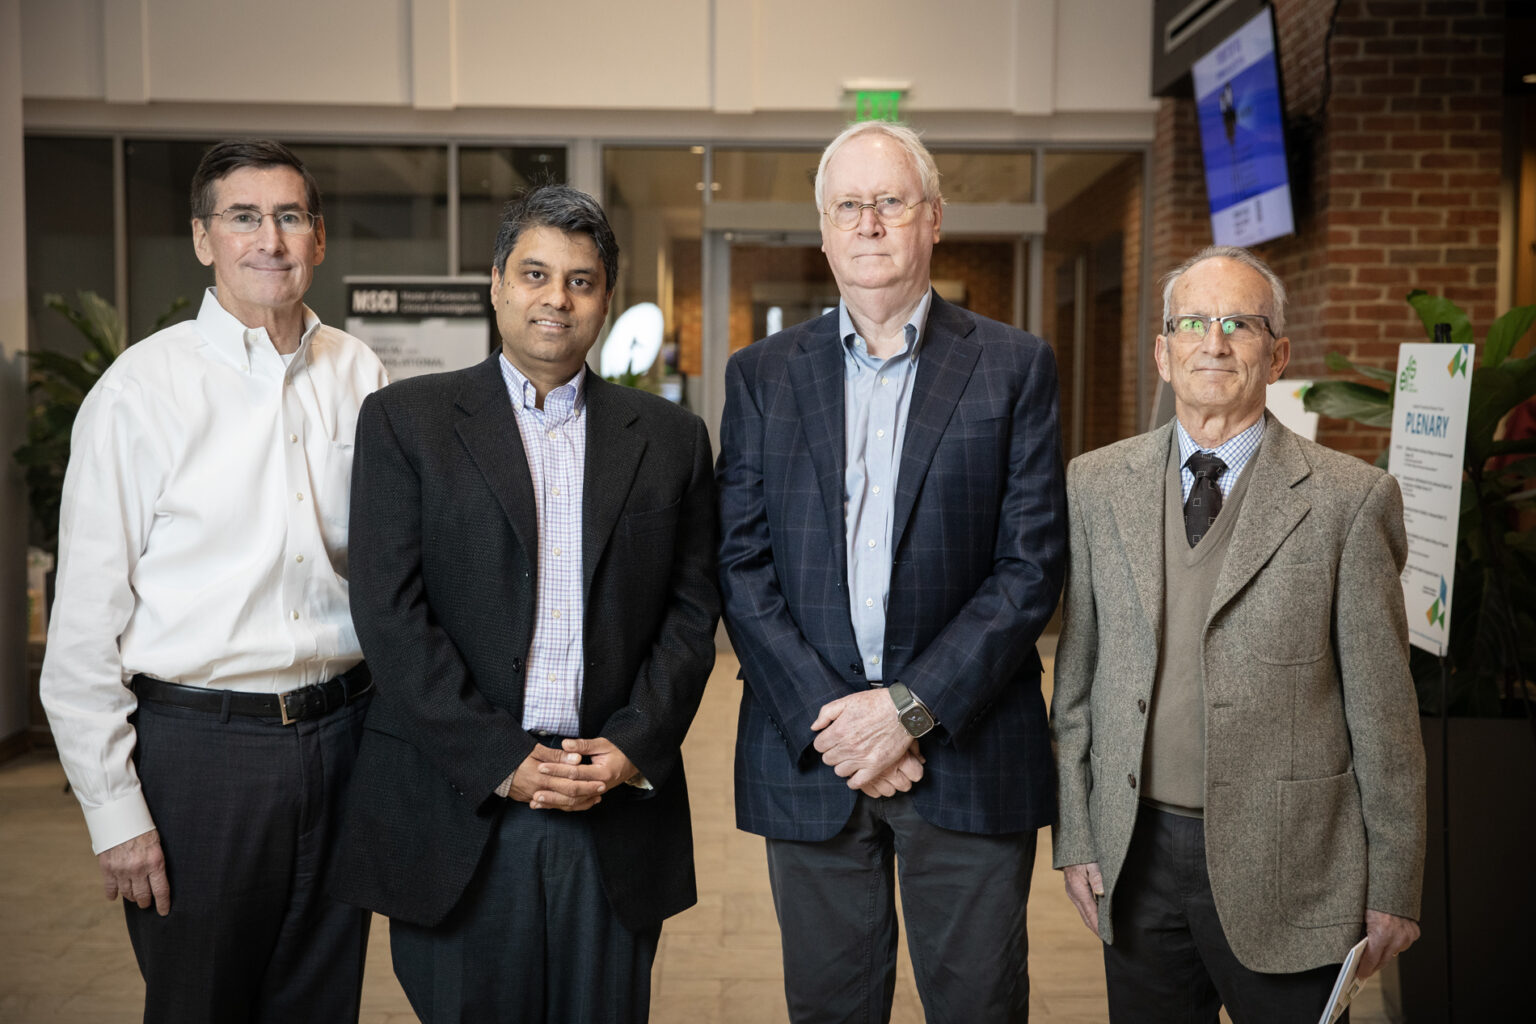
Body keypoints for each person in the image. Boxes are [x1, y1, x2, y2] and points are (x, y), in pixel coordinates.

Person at [331, 184, 719, 1024]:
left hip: (609, 803)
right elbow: (390, 618)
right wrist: (497, 758)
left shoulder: (670, 438)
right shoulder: (406, 422)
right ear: (497, 283)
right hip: (458, 799)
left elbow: (692, 614)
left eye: (581, 281)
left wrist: (630, 744)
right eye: (536, 274)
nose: (557, 298)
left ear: (606, 298)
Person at [717, 120, 1066, 1023]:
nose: (869, 223)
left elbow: (1028, 568)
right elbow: (741, 560)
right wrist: (838, 723)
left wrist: (906, 711)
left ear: (933, 219)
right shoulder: (760, 375)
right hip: (813, 754)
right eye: (849, 207)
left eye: (890, 202)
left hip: (969, 751)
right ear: (824, 231)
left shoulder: (1014, 366)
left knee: (980, 1006)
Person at [40, 139, 388, 1022]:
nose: (268, 238)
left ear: (318, 237)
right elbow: (84, 628)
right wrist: (116, 813)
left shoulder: (359, 374)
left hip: (342, 737)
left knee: (321, 1000)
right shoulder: (140, 392)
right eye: (243, 217)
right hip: (202, 755)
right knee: (202, 1003)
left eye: (289, 216)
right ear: (204, 240)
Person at [1051, 245, 1426, 1023]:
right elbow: (1078, 683)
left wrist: (1394, 886)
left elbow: (1386, 718)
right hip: (1138, 856)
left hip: (1295, 871)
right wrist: (1077, 836)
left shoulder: (1349, 502)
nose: (1213, 342)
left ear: (1278, 353)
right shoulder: (1093, 484)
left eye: (1240, 324)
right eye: (1192, 323)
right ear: (1162, 351)